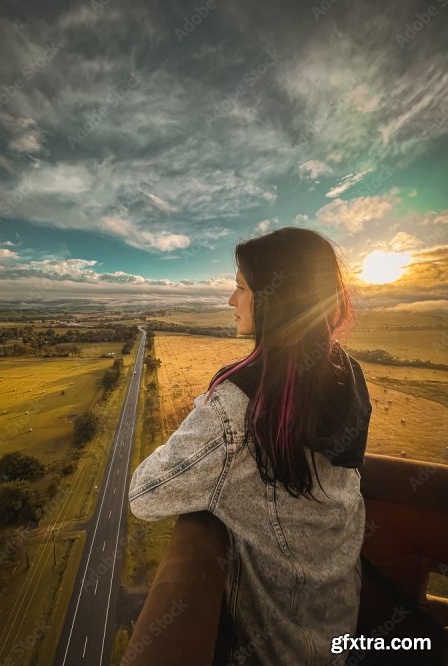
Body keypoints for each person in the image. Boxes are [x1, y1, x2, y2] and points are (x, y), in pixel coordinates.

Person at [128, 227, 373, 665]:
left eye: (240, 288)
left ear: (275, 299)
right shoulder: (347, 374)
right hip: (341, 626)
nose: (230, 300)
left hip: (280, 649)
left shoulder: (236, 405)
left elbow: (143, 494)